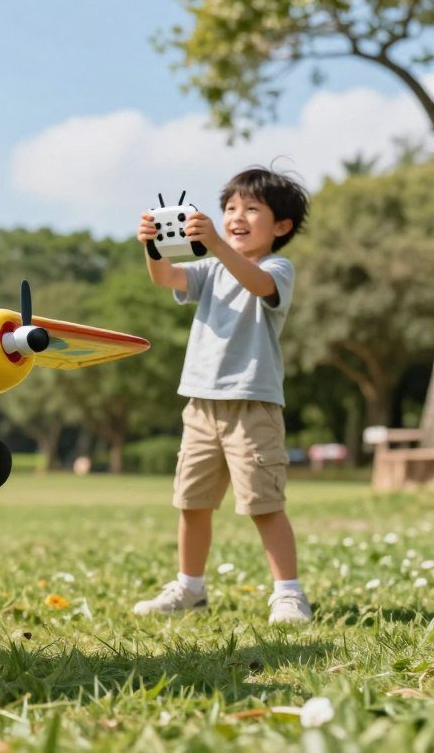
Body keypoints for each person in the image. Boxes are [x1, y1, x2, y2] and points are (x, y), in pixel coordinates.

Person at [133, 167, 311, 624]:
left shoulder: (276, 268)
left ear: (281, 227)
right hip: (200, 404)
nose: (237, 216)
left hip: (253, 406)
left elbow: (259, 285)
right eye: (230, 207)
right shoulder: (210, 269)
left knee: (264, 504)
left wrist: (214, 244)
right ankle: (189, 588)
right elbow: (166, 278)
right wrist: (153, 246)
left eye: (252, 209)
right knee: (191, 502)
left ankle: (288, 594)